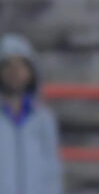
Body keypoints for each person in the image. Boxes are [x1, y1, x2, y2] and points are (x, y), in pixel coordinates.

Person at [0, 33, 63, 194]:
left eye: (21, 66)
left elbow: (52, 168)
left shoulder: (43, 119)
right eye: (8, 65)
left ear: (31, 72)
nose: (15, 72)